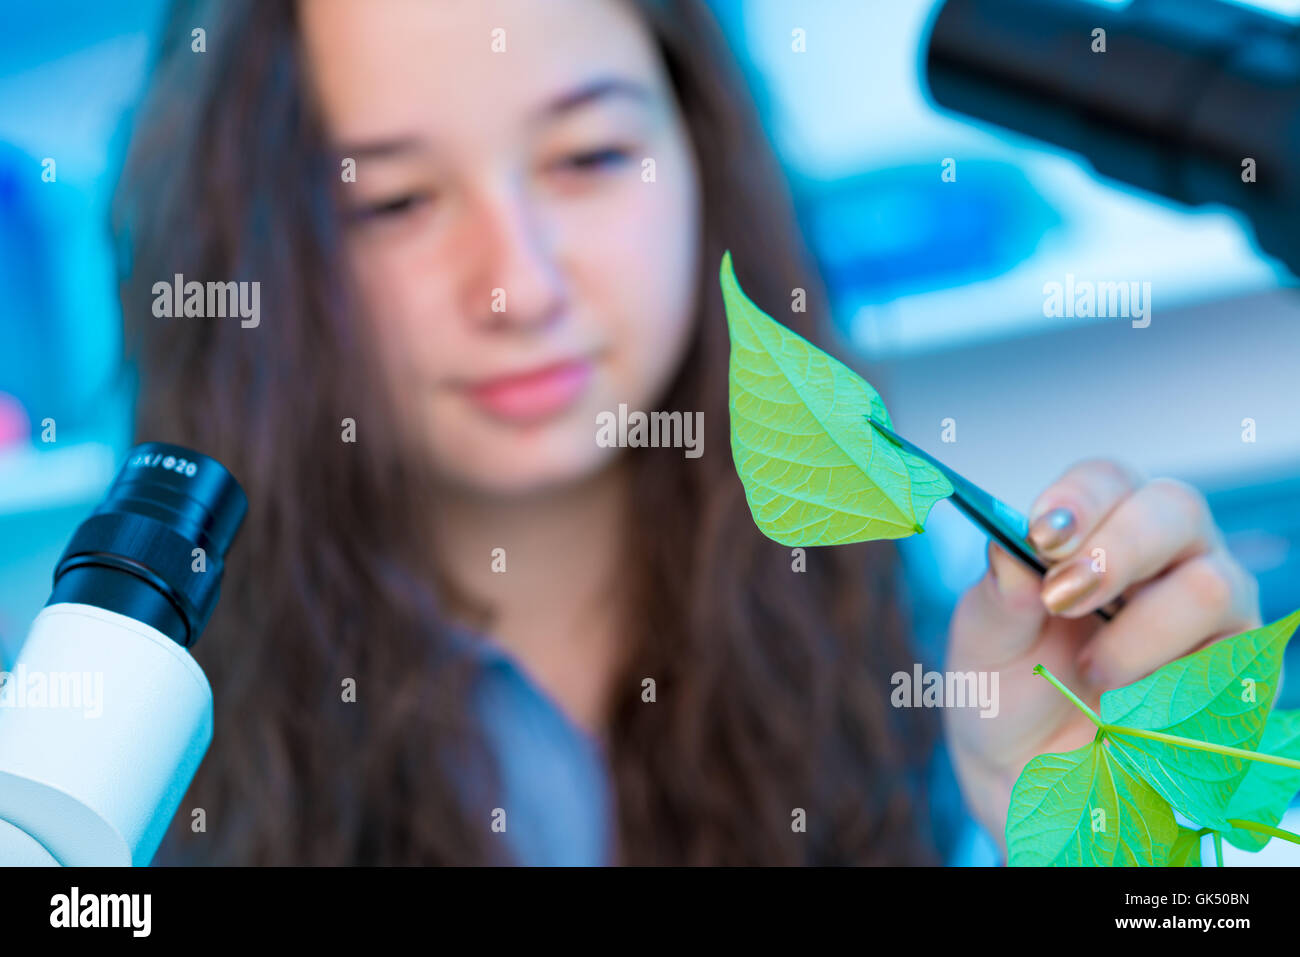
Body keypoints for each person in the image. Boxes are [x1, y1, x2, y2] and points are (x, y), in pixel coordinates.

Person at [111, 0, 1260, 865]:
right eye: (392, 201)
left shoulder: (967, 663)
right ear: (256, 256)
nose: (518, 287)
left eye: (588, 158)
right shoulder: (113, 741)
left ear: (704, 160)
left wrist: (1107, 853)